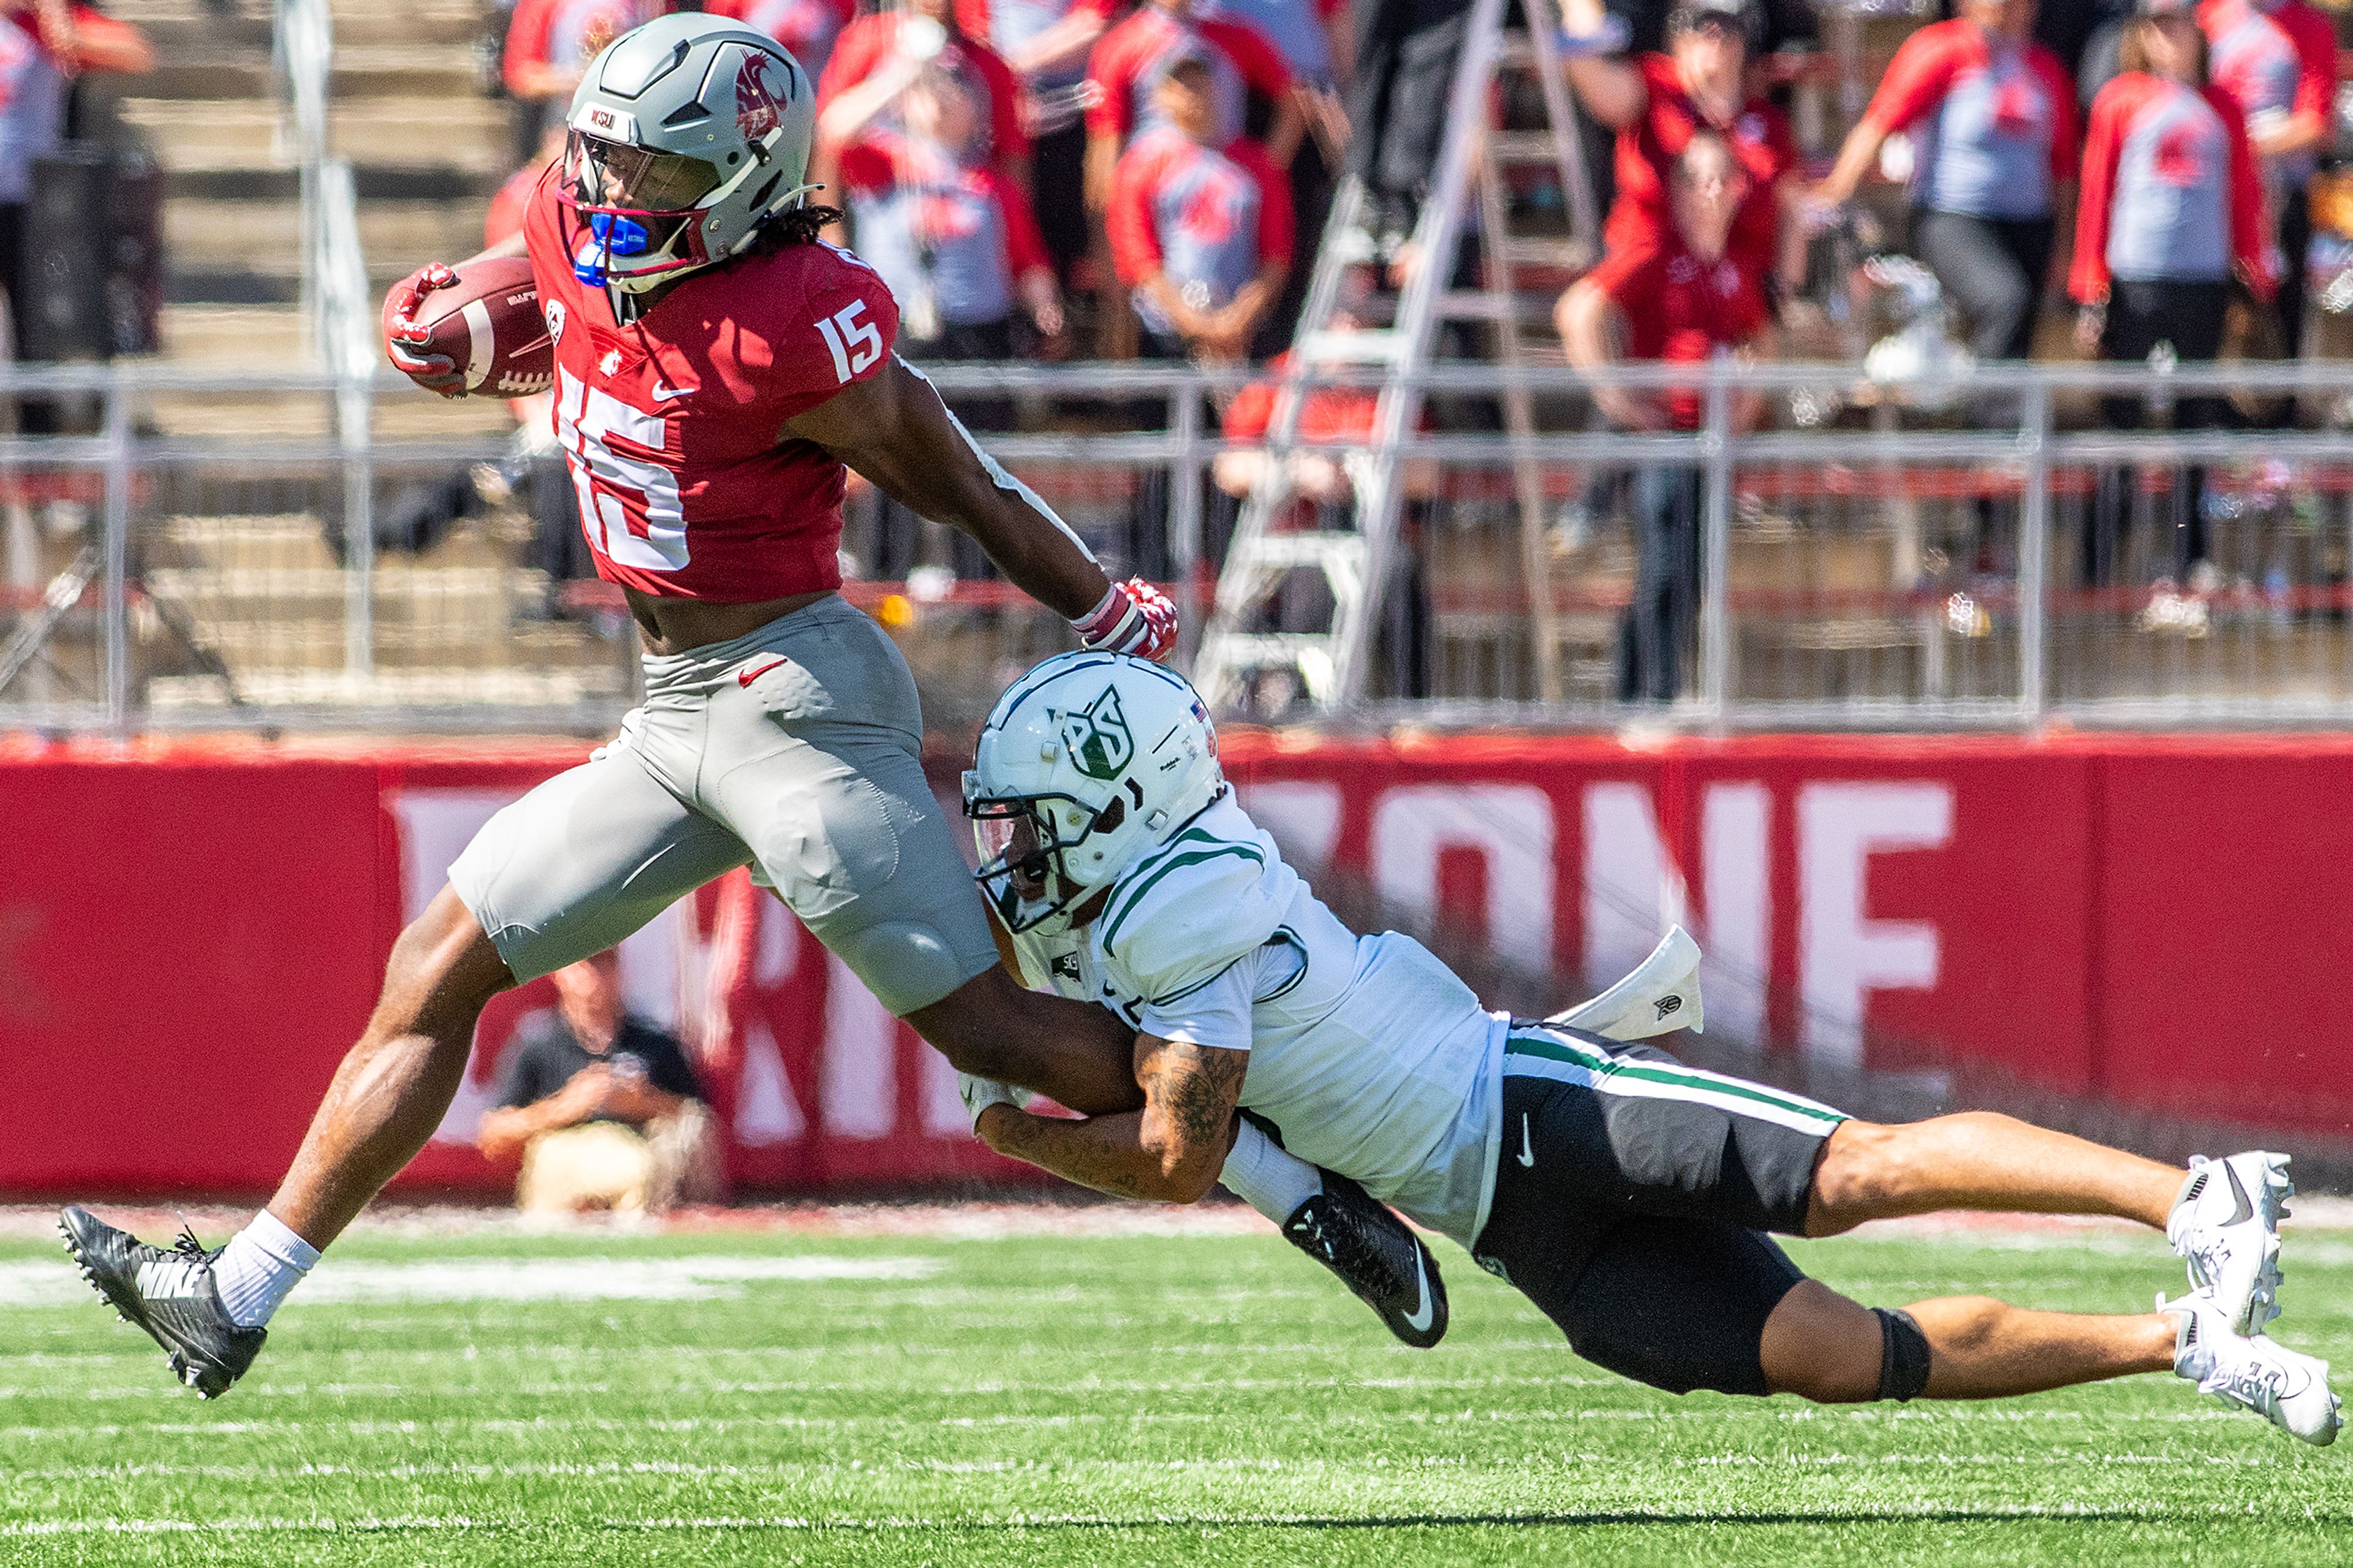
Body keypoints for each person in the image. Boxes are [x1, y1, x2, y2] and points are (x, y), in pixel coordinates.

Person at [59, 13, 1432, 1400]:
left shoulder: (797, 317)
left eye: (647, 178)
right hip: (668, 716)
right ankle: (234, 1293)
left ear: (740, 183)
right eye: (598, 164)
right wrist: (467, 329)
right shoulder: (574, 220)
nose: (608, 201)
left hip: (798, 703)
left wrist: (1091, 598)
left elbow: (952, 473)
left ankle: (1301, 1177)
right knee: (438, 964)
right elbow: (519, 306)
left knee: (998, 1038)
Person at [959, 650, 2342, 1447]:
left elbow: (1170, 1150)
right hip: (1519, 1231)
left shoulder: (1180, 905)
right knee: (1837, 1353)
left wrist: (1003, 1122)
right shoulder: (1109, 903)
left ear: (1117, 798)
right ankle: (2179, 1344)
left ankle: (2193, 1193)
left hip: (1533, 1106)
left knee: (1855, 1175)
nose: (1012, 846)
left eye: (1029, 815)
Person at [2071, 0, 2270, 622]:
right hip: (2135, 283)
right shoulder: (2120, 100)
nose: (2169, 37)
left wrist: (2254, 274)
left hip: (2202, 282)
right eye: (2157, 26)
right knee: (2120, 425)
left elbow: (2243, 195)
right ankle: (2099, 568)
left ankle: (2190, 562)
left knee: (2196, 422)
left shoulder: (2223, 107)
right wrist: (2089, 286)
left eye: (2178, 23)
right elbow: (2097, 190)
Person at [1558, 132, 1774, 703]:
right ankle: (1645, 692)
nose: (1711, 192)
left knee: (1692, 573)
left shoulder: (1735, 267)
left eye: (1722, 179)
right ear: (1675, 192)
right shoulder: (1657, 253)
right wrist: (1614, 396)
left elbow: (1760, 335)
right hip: (1665, 437)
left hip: (1712, 442)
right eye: (1696, 179)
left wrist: (1751, 395)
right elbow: (1579, 310)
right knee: (1662, 566)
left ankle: (1655, 689)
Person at [1814, 0, 2078, 368]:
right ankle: (1983, 418)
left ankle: (2007, 416)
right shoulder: (1941, 49)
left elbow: (2063, 169)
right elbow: (1880, 122)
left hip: (2029, 222)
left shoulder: (2045, 68)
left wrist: (2066, 249)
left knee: (2024, 323)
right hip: (1954, 218)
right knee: (2004, 300)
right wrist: (1836, 191)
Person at [1558, 0, 1802, 293]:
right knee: (1583, 312)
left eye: (1728, 24)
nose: (1714, 33)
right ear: (1677, 40)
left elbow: (1793, 209)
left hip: (1735, 291)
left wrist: (1784, 291)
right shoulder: (1655, 90)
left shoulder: (1767, 123)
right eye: (1698, 23)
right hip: (1652, 281)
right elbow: (1593, 74)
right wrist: (1580, 9)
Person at [475, 948, 722, 1217]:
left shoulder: (655, 1043)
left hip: (638, 1155)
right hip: (563, 1159)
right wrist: (565, 1107)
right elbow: (493, 1134)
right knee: (555, 1165)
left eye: (607, 962)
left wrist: (644, 1102)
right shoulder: (539, 1043)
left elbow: (699, 1118)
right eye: (587, 964)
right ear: (560, 974)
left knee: (642, 1168)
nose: (597, 976)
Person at [1106, 55, 1294, 362]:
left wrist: (1240, 317)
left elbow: (1276, 254)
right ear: (1161, 96)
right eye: (1182, 86)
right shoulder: (1141, 167)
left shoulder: (1256, 164)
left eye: (1201, 84)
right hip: (1165, 331)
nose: (1194, 95)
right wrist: (1193, 321)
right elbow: (1139, 258)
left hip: (1243, 332)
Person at [2196, 0, 2336, 355]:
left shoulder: (2309, 25)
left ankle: (2281, 408)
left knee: (2280, 316)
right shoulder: (2207, 16)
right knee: (2211, 310)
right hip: (2212, 194)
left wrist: (2240, 147)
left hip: (2281, 197)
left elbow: (2316, 126)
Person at [1082, 0, 1301, 218]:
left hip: (1229, 199)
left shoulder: (1234, 34)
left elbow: (1294, 101)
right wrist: (1110, 231)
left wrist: (1265, 171)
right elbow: (1105, 151)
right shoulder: (1119, 46)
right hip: (1152, 197)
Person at [955, 0, 1117, 286]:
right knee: (1015, 236)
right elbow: (971, 32)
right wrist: (1001, 81)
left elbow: (1096, 23)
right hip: (998, 127)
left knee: (1080, 252)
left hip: (1076, 121)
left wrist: (1006, 68)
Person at [817, 0, 1029, 197]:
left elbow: (1013, 162)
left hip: (964, 209)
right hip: (880, 205)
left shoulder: (986, 65)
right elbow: (828, 133)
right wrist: (903, 73)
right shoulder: (869, 38)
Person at [502, 0, 659, 165]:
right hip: (565, 140)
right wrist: (586, 80)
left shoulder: (648, 4)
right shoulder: (543, 4)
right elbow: (522, 76)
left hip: (634, 143)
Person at [707, 0, 857, 89]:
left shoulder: (841, 4)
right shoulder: (733, 3)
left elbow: (848, 51)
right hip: (753, 98)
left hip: (814, 100)